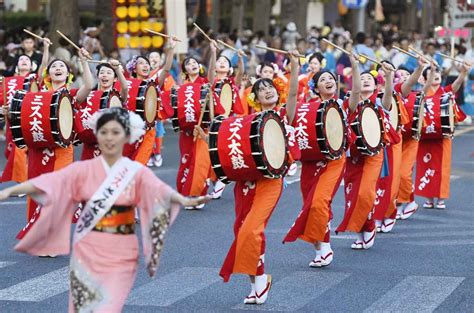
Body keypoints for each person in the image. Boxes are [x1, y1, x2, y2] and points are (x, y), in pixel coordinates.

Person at [0, 107, 210, 312]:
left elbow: (160, 192)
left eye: (116, 133)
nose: (109, 138)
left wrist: (185, 201)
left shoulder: (133, 170)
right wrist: (10, 191)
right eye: (104, 133)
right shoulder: (84, 169)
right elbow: (50, 182)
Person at [195, 50, 300, 305]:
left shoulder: (284, 115)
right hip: (245, 183)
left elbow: (295, 93)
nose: (267, 90)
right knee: (242, 231)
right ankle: (255, 282)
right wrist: (206, 138)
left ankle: (261, 280)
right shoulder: (246, 121)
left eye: (270, 86)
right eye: (261, 88)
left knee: (253, 229)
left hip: (270, 183)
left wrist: (295, 66)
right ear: (254, 98)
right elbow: (230, 148)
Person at [283, 53, 358, 267]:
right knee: (311, 206)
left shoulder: (343, 105)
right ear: (315, 88)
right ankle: (319, 248)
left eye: (331, 79)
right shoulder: (304, 109)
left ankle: (325, 247)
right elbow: (292, 95)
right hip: (309, 163)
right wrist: (296, 66)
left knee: (318, 203)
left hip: (334, 161)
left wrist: (353, 66)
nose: (328, 81)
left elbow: (357, 93)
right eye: (323, 79)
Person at [24, 38, 94, 221]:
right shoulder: (38, 95)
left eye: (62, 66)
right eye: (54, 67)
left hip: (62, 150)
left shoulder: (71, 96)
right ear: (49, 74)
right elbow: (40, 71)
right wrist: (46, 49)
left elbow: (88, 85)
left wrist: (83, 61)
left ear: (68, 74)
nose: (58, 68)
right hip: (38, 149)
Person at [335, 61, 394, 250]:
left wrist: (389, 76)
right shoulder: (349, 102)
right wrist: (354, 66)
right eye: (361, 79)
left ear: (376, 85)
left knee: (365, 193)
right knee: (351, 195)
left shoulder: (379, 101)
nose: (365, 81)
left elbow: (388, 96)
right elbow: (354, 94)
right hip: (353, 155)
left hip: (374, 154)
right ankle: (360, 233)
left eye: (369, 79)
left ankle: (369, 227)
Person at [414, 61, 469, 209]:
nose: (436, 75)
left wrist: (463, 73)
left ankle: (440, 198)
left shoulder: (445, 92)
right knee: (425, 165)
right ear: (424, 80)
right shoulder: (421, 95)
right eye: (432, 74)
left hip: (442, 137)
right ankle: (429, 197)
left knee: (442, 167)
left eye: (438, 73)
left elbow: (456, 86)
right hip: (426, 137)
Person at [77, 59, 128, 160]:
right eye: (102, 72)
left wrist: (117, 69)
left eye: (109, 73)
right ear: (98, 76)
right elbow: (87, 86)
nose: (104, 75)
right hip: (90, 146)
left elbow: (125, 88)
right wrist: (84, 62)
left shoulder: (116, 97)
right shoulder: (89, 95)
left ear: (114, 79)